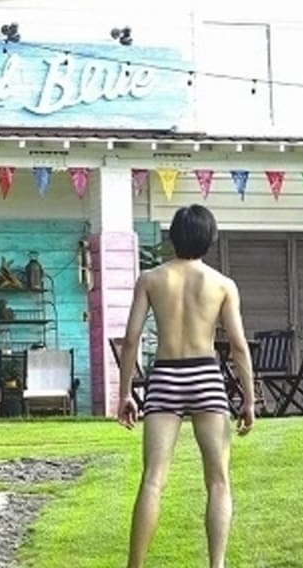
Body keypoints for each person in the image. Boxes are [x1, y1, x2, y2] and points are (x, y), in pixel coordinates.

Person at [118, 204, 255, 568]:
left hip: (165, 376)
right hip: (206, 376)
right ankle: (216, 565)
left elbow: (130, 340)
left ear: (173, 237)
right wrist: (249, 400)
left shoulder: (151, 279)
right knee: (218, 481)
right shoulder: (222, 284)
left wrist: (125, 393)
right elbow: (238, 345)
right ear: (210, 238)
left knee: (153, 479)